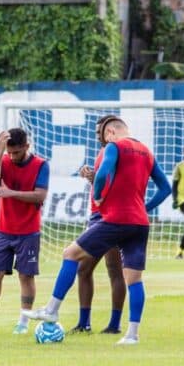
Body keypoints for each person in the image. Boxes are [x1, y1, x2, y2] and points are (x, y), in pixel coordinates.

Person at [25, 117, 171, 345]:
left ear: (111, 132)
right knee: (133, 278)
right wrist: (145, 207)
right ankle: (132, 334)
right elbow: (165, 188)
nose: (103, 142)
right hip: (140, 223)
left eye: (103, 137)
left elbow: (102, 174)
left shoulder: (115, 146)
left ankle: (52, 309)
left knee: (70, 254)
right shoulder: (146, 152)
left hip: (115, 218)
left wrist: (99, 195)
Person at [0, 127, 48, 334]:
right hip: (3, 230)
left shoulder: (41, 165)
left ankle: (22, 323)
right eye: (9, 152)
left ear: (27, 147)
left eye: (17, 152)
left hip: (29, 232)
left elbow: (39, 196)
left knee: (26, 277)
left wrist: (9, 193)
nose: (12, 157)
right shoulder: (3, 160)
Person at [72, 115, 126, 335]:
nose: (98, 136)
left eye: (100, 132)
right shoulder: (104, 152)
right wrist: (91, 176)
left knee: (112, 269)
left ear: (110, 131)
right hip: (97, 216)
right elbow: (101, 181)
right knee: (86, 269)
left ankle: (113, 324)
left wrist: (95, 177)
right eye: (96, 133)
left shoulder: (117, 151)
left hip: (109, 217)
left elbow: (117, 183)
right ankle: (85, 323)